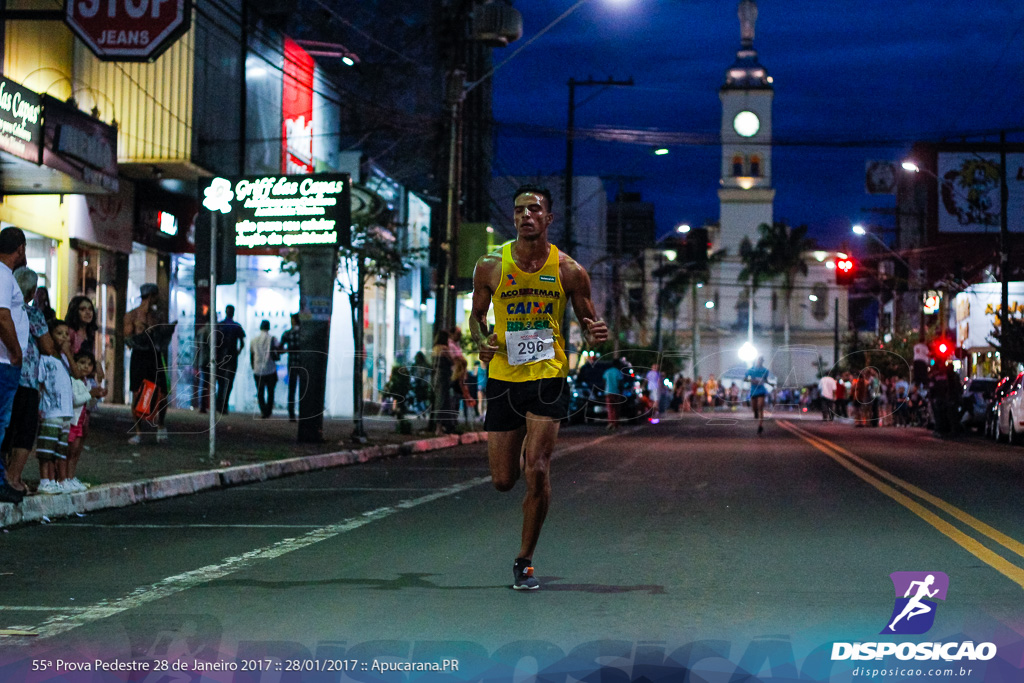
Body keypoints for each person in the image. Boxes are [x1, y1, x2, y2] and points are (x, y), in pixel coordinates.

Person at [469, 184, 608, 590]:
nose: (526, 215)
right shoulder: (490, 266)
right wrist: (481, 340)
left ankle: (524, 560)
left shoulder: (569, 270)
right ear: (513, 218)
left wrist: (595, 330)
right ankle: (519, 457)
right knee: (502, 480)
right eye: (519, 210)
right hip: (503, 377)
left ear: (549, 218)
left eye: (534, 209)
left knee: (538, 468)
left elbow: (589, 320)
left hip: (547, 376)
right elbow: (477, 318)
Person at [0, 268, 50, 502]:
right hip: (27, 378)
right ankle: (13, 477)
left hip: (7, 374)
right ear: (30, 291)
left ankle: (5, 477)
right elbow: (48, 346)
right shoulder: (32, 314)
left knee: (6, 429)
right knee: (25, 431)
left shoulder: (8, 311)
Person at [124, 283, 174, 443]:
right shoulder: (132, 315)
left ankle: (160, 425)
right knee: (137, 393)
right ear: (151, 296)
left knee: (162, 392)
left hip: (155, 355)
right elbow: (128, 339)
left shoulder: (157, 316)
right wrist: (141, 332)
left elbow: (163, 336)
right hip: (140, 356)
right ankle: (139, 432)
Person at [0, 228, 28, 503]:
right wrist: (15, 351)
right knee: (0, 422)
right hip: (4, 362)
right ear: (19, 248)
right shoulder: (3, 274)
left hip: (5, 360)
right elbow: (2, 316)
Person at [36, 319, 75, 494]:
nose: (64, 337)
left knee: (60, 450)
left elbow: (76, 373)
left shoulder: (66, 361)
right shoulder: (45, 359)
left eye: (67, 334)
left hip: (66, 413)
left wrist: (69, 354)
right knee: (47, 450)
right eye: (59, 334)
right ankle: (45, 480)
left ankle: (59, 480)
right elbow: (40, 383)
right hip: (51, 411)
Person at [65, 351, 105, 492]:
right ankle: (64, 478)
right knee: (69, 451)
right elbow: (76, 400)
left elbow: (88, 404)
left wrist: (96, 395)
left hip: (81, 422)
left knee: (76, 451)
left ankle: (70, 477)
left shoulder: (87, 382)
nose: (85, 367)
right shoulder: (73, 381)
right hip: (72, 421)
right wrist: (90, 394)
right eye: (82, 363)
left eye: (89, 364)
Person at [65, 295, 105, 383]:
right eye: (82, 309)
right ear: (75, 311)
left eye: (90, 309)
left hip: (86, 379)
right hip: (71, 378)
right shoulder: (70, 332)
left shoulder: (90, 333)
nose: (88, 312)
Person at [214, 304, 245, 414]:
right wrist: (237, 352)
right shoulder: (237, 326)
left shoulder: (221, 325)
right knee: (229, 382)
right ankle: (224, 405)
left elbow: (215, 342)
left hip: (222, 357)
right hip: (231, 357)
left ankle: (219, 405)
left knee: (221, 382)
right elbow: (242, 343)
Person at [250, 320, 278, 419]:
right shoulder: (273, 339)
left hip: (258, 369)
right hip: (270, 368)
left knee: (260, 391)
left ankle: (263, 410)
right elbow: (277, 352)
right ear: (269, 327)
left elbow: (252, 354)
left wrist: (252, 366)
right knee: (271, 391)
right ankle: (268, 411)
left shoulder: (254, 340)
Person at [280, 313, 303, 422]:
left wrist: (287, 350)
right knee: (304, 389)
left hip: (292, 364)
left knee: (292, 389)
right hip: (303, 365)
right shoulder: (304, 333)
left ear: (293, 321)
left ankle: (291, 414)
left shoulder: (287, 334)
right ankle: (304, 413)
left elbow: (280, 349)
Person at [744, 356, 771, 434]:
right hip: (753, 391)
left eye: (761, 361)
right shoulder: (751, 370)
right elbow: (745, 379)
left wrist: (770, 384)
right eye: (759, 360)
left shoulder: (765, 370)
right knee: (754, 407)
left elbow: (765, 380)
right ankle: (755, 412)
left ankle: (760, 425)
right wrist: (752, 380)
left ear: (763, 361)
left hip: (761, 390)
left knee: (760, 406)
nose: (760, 362)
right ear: (756, 361)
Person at [603, 360, 623, 431]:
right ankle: (615, 423)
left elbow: (604, 381)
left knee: (610, 408)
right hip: (616, 392)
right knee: (616, 408)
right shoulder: (618, 372)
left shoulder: (607, 371)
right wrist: (621, 392)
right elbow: (620, 383)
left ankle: (610, 422)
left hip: (608, 392)